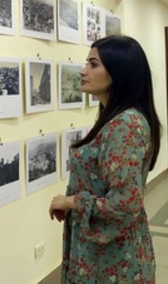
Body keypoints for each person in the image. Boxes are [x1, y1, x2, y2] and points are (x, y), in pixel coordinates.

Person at [49, 35, 161, 283]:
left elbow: (124, 202)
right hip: (102, 250)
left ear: (120, 71)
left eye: (93, 64)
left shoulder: (126, 124)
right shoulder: (114, 118)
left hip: (113, 257)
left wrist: (70, 202)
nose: (83, 71)